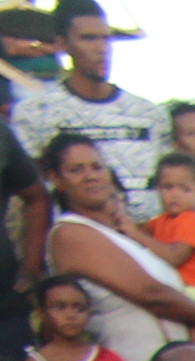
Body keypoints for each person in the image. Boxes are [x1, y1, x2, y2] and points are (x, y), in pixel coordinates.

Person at [41, 129, 195, 361]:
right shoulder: (69, 233)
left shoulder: (126, 234)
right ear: (55, 178)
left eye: (96, 166)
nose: (90, 176)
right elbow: (152, 294)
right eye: (76, 170)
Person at [18, 1, 165, 212]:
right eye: (88, 38)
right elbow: (30, 197)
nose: (101, 48)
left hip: (147, 240)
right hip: (76, 238)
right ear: (61, 44)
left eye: (105, 38)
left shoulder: (150, 115)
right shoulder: (35, 113)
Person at [144, 152, 195, 314]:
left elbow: (174, 257)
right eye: (168, 187)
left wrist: (136, 235)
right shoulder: (161, 221)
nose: (175, 194)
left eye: (185, 189)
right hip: (182, 290)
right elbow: (140, 229)